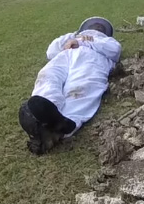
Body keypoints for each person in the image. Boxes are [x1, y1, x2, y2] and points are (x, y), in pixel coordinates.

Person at [19, 17, 122, 154]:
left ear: (106, 31)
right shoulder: (71, 36)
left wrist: (81, 42)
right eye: (94, 24)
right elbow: (51, 52)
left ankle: (63, 125)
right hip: (65, 56)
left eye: (100, 26)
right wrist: (72, 38)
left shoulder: (107, 40)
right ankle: (41, 114)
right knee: (48, 76)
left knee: (81, 87)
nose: (97, 27)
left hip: (93, 60)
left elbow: (114, 51)